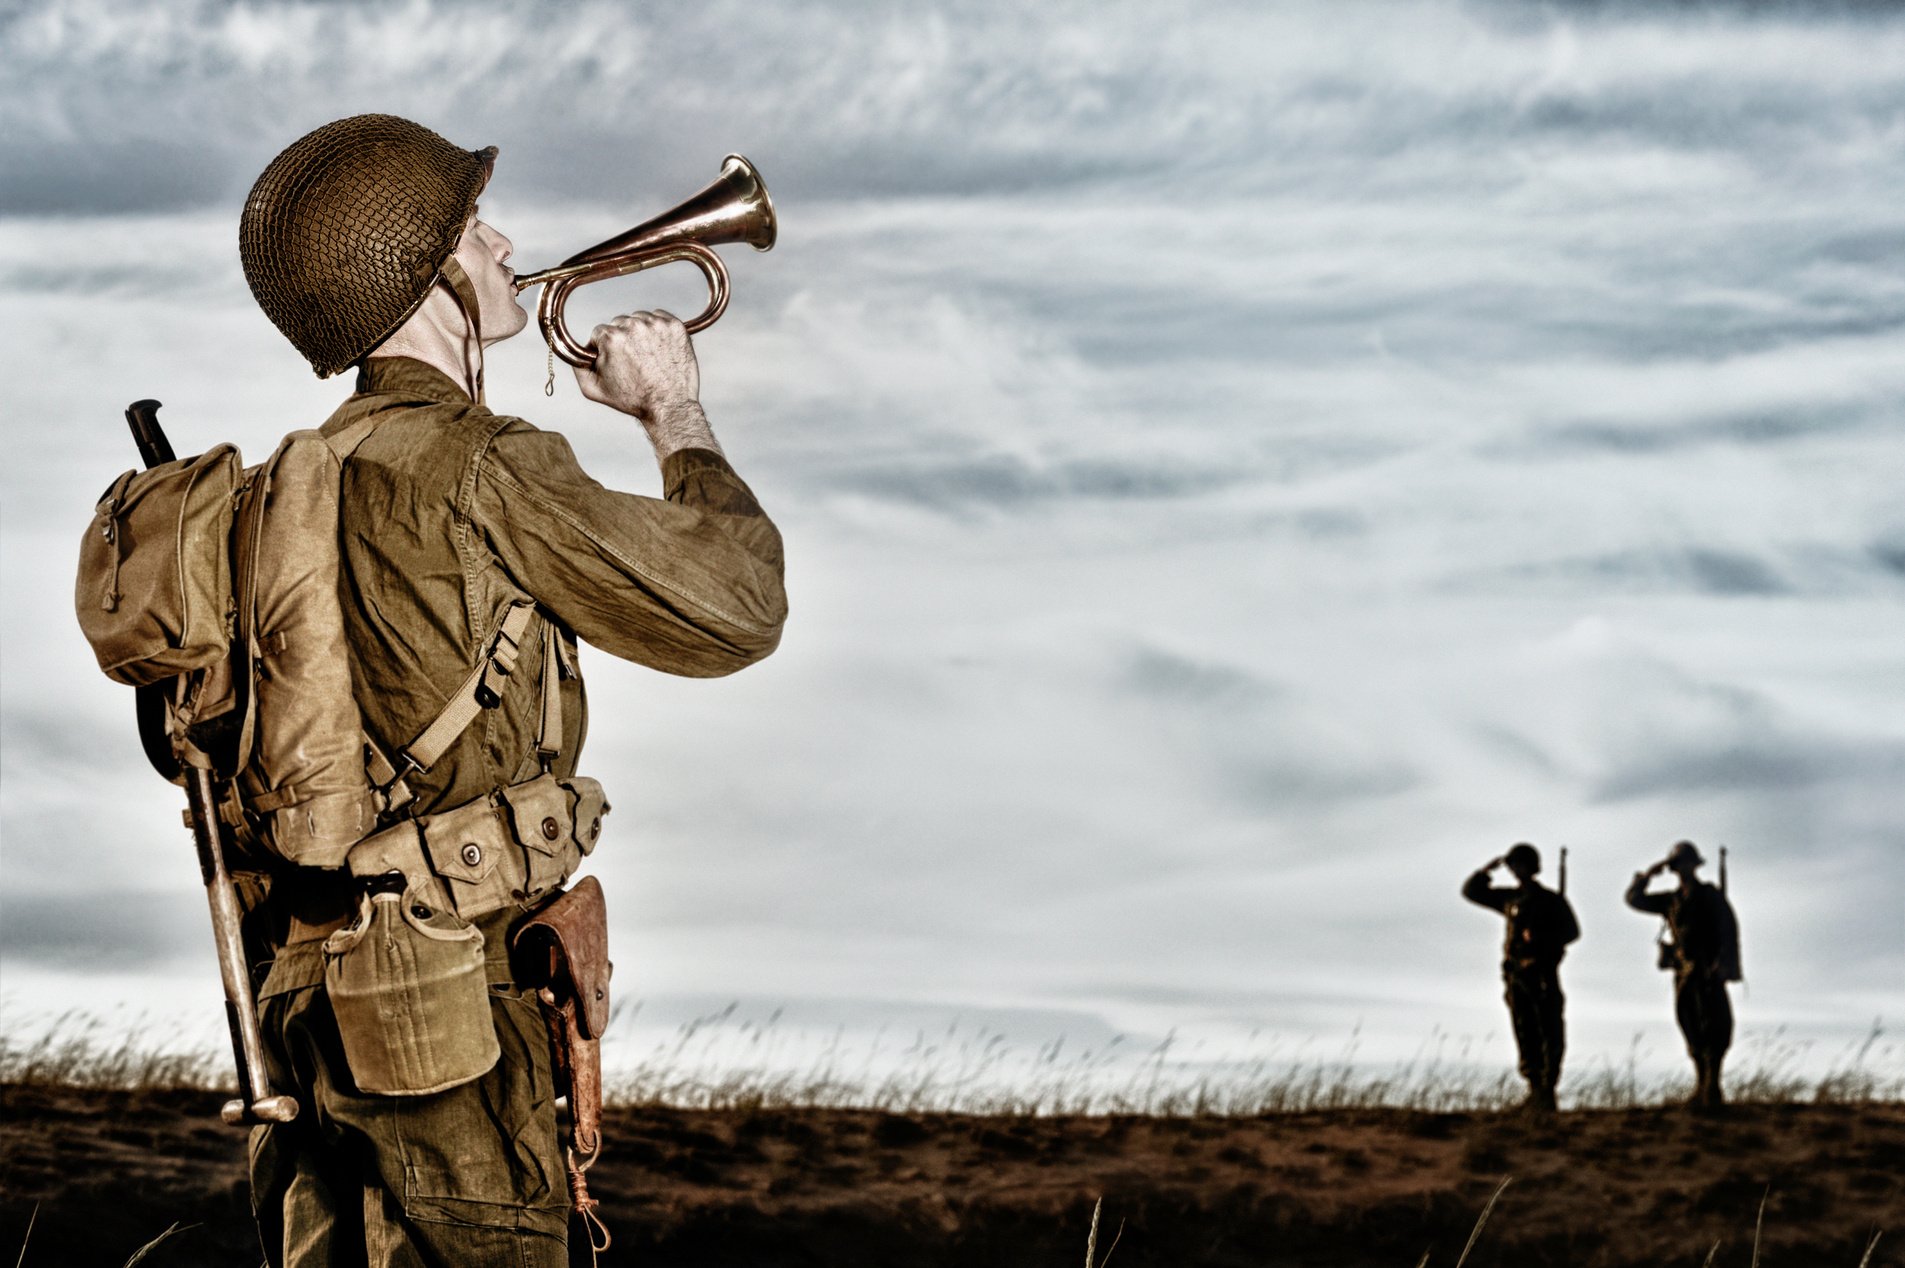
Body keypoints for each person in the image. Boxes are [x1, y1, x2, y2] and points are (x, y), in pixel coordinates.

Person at [235, 114, 787, 1266]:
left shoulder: (279, 486)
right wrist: (671, 411)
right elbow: (738, 607)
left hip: (305, 1008)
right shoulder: (486, 464)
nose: (505, 243)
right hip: (449, 1008)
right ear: (425, 276)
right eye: (473, 227)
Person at [1462, 843, 1580, 1114]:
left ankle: (1547, 1091)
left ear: (1532, 866)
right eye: (1512, 865)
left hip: (1542, 976)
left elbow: (1572, 932)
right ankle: (1535, 1090)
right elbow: (1471, 892)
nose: (1516, 870)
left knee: (1548, 1032)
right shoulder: (1510, 899)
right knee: (1524, 1032)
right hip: (1517, 977)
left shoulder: (1550, 900)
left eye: (1520, 864)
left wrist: (1542, 939)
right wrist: (1486, 871)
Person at [1625, 840, 1742, 1110]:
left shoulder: (1710, 896)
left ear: (1695, 866)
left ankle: (1712, 1087)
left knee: (1716, 1027)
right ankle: (1701, 1085)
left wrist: (1725, 965)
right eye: (1678, 865)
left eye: (1687, 864)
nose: (1683, 869)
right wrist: (1646, 876)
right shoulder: (1670, 901)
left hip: (1708, 971)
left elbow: (1728, 931)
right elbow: (1634, 900)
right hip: (1683, 972)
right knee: (1690, 1027)